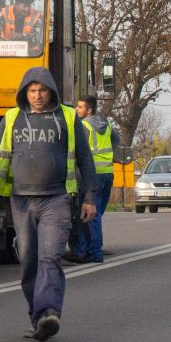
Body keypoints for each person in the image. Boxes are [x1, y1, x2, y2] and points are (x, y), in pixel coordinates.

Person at [0, 67, 97, 341]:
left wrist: (89, 197)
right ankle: (38, 316)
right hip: (21, 200)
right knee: (28, 260)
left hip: (57, 198)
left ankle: (49, 312)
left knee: (50, 256)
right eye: (32, 91)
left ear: (51, 91)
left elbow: (85, 158)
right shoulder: (12, 118)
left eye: (42, 90)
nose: (37, 95)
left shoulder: (68, 117)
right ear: (25, 92)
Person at [65, 94, 121, 264]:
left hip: (92, 174)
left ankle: (92, 252)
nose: (77, 109)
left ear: (89, 110)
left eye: (80, 107)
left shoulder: (83, 125)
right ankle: (88, 249)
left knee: (90, 216)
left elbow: (75, 148)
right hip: (107, 173)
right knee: (95, 215)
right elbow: (116, 140)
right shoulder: (106, 123)